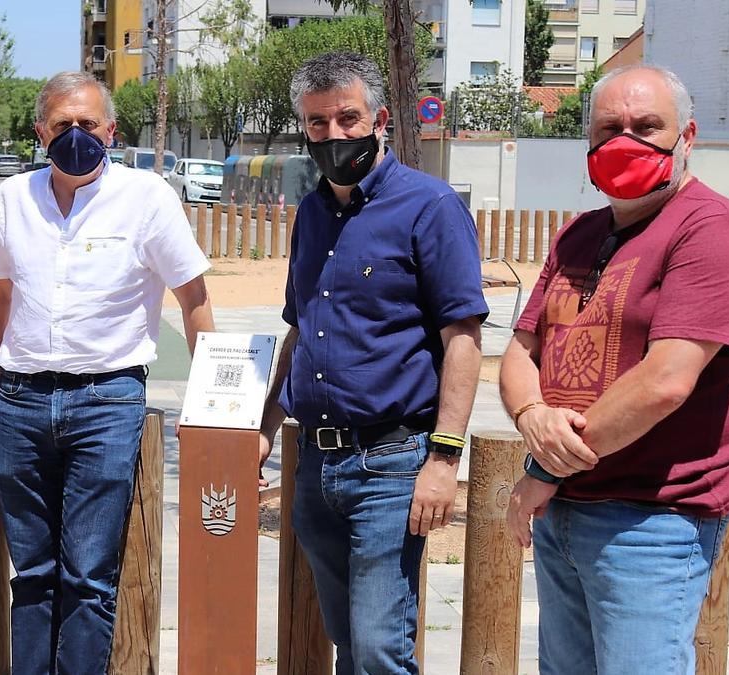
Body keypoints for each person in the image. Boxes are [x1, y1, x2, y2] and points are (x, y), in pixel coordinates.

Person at [503, 64, 729, 674]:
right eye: (610, 128)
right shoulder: (579, 234)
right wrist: (531, 412)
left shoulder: (710, 230)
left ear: (688, 136)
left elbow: (666, 381)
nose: (628, 141)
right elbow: (520, 350)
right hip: (568, 509)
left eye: (648, 126)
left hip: (652, 523)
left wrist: (544, 465)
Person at [0, 71, 214, 674]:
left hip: (107, 402)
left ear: (111, 131)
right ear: (39, 131)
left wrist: (209, 401)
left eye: (87, 125)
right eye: (61, 125)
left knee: (88, 577)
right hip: (22, 402)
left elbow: (194, 299)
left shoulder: (148, 197)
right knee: (33, 574)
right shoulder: (13, 199)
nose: (75, 135)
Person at [257, 51, 488, 674]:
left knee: (383, 650)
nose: (334, 135)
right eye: (317, 123)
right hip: (316, 468)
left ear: (379, 118)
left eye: (348, 119)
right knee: (351, 642)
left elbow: (464, 337)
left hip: (393, 464)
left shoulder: (429, 207)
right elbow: (298, 329)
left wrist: (444, 458)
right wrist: (264, 427)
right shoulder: (309, 214)